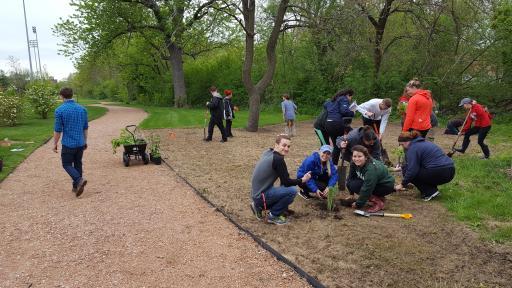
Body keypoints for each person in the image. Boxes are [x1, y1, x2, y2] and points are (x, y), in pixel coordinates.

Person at [250, 134, 312, 225]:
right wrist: (302, 180)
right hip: (261, 196)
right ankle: (273, 216)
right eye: (284, 145)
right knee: (292, 191)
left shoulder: (268, 152)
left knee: (284, 188)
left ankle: (258, 206)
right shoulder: (278, 159)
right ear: (276, 145)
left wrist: (280, 138)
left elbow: (284, 180)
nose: (286, 149)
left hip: (256, 194)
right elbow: (287, 183)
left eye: (288, 146)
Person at [394, 131, 455, 201]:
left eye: (402, 144)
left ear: (407, 142)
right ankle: (432, 189)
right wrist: (399, 168)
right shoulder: (425, 143)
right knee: (408, 168)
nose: (402, 147)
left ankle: (430, 192)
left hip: (438, 172)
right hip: (450, 170)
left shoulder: (413, 148)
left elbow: (412, 170)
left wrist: (402, 184)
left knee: (406, 170)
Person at [53, 87, 89, 197]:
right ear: (72, 95)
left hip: (68, 143)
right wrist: (85, 141)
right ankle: (76, 187)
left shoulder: (59, 110)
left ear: (61, 96)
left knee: (66, 164)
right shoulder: (82, 109)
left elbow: (58, 130)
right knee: (78, 163)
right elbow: (85, 128)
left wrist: (55, 143)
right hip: (80, 142)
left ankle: (78, 180)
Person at [347, 145, 395, 212]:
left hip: (385, 186)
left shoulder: (371, 169)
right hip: (375, 183)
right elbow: (350, 178)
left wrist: (358, 204)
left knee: (357, 186)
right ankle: (378, 197)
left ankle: (378, 203)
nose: (357, 159)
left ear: (366, 157)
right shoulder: (354, 163)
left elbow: (367, 188)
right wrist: (351, 194)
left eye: (360, 156)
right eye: (354, 156)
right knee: (351, 183)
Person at [323, 88, 355, 165]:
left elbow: (325, 105)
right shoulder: (344, 99)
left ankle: (334, 165)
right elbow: (344, 111)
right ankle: (349, 157)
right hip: (337, 124)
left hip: (328, 124)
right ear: (348, 95)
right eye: (351, 97)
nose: (350, 99)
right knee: (354, 135)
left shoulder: (332, 100)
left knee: (336, 145)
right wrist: (352, 112)